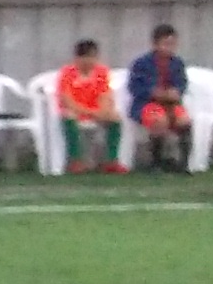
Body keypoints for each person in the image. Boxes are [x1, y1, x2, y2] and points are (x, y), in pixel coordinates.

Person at [128, 24, 194, 172]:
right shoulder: (141, 64)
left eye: (172, 44)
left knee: (184, 120)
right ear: (155, 44)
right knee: (159, 120)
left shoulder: (177, 63)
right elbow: (134, 88)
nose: (169, 48)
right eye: (165, 44)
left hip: (171, 104)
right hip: (147, 104)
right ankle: (156, 162)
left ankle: (183, 163)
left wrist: (176, 92)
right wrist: (153, 93)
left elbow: (182, 84)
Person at [55, 38, 123, 173]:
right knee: (68, 116)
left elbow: (105, 95)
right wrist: (90, 112)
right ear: (77, 59)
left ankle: (111, 160)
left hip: (96, 111)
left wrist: (103, 111)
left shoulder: (102, 72)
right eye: (85, 57)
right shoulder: (67, 73)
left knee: (115, 117)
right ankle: (75, 160)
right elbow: (68, 101)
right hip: (77, 112)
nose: (89, 61)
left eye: (92, 57)